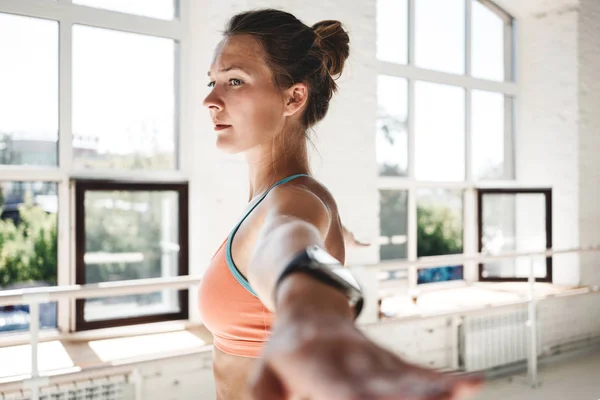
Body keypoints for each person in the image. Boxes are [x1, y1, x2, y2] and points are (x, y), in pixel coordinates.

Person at [197, 8, 482, 400]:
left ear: (294, 97)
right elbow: (305, 229)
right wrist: (340, 233)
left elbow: (288, 243)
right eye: (212, 81)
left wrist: (312, 317)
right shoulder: (288, 198)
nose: (210, 99)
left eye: (234, 80)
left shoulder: (292, 200)